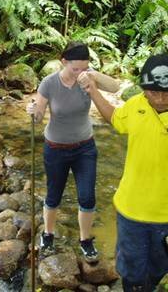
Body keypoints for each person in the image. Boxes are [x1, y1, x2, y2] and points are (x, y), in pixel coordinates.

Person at [78, 54, 168, 291]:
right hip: (131, 210)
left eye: (167, 92)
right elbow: (114, 117)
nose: (160, 98)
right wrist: (93, 91)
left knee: (159, 268)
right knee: (130, 270)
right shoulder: (136, 105)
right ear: (144, 89)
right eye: (153, 91)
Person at [26, 41, 119, 262]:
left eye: (84, 68)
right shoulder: (49, 83)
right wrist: (32, 111)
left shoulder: (87, 77)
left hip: (85, 148)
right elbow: (38, 119)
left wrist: (92, 75)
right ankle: (48, 234)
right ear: (63, 62)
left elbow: (115, 87)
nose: (79, 73)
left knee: (87, 197)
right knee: (53, 195)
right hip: (55, 148)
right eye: (75, 68)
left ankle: (85, 240)